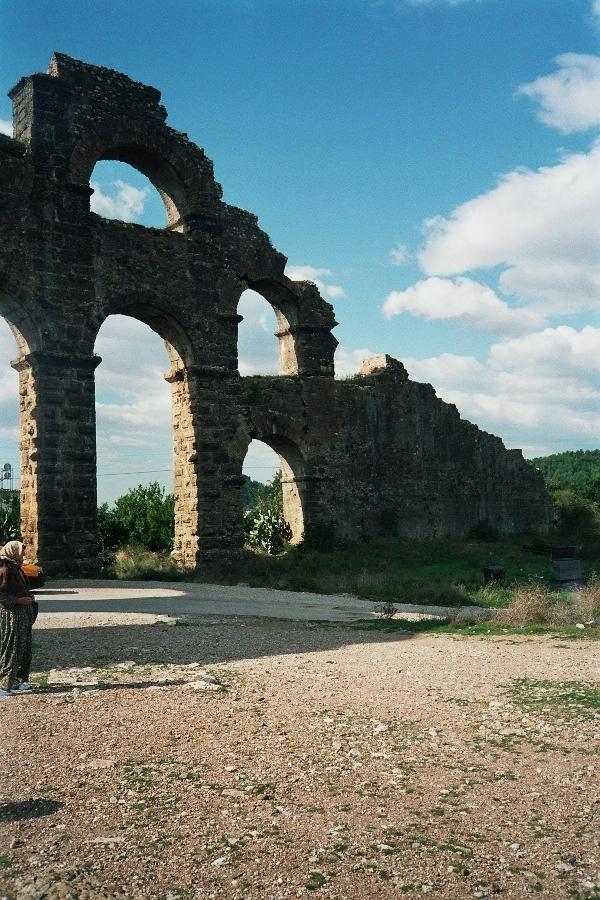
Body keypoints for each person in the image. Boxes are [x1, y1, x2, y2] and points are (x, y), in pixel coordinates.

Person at [0, 541, 35, 698]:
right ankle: (3, 685)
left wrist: (28, 596)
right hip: (12, 615)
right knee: (11, 648)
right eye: (21, 552)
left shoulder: (16, 568)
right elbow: (2, 596)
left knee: (24, 647)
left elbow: (20, 588)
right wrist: (18, 600)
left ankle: (18, 680)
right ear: (12, 552)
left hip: (23, 614)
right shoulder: (5, 570)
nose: (24, 555)